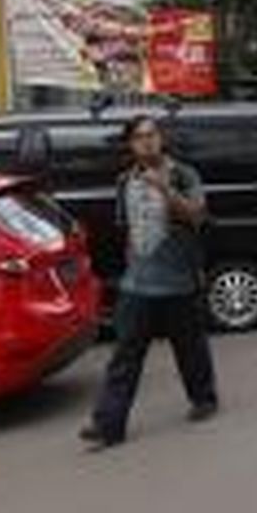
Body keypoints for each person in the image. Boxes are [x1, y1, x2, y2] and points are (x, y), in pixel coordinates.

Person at [80, 115, 219, 451]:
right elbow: (126, 230)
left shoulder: (184, 174)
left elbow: (198, 216)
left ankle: (203, 398)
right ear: (132, 144)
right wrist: (133, 269)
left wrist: (164, 189)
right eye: (140, 137)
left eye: (152, 134)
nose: (147, 141)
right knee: (123, 358)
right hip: (137, 287)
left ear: (161, 139)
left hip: (179, 283)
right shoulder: (124, 181)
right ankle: (107, 425)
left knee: (191, 351)